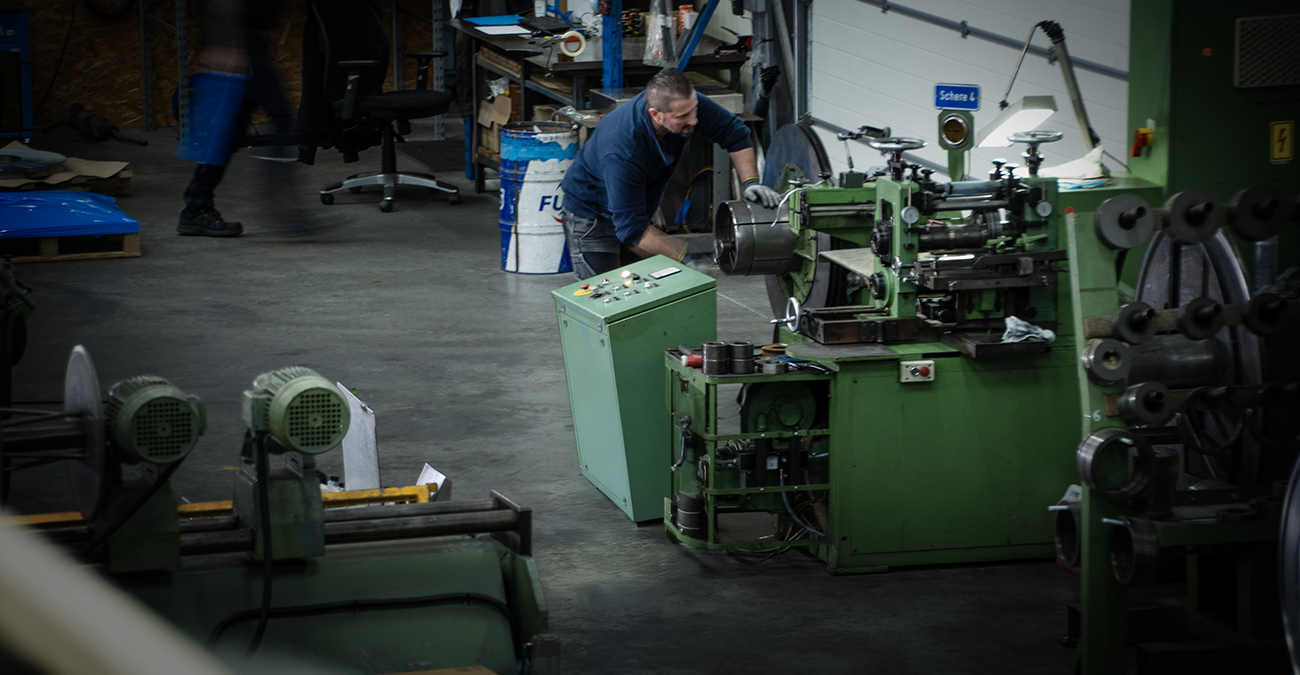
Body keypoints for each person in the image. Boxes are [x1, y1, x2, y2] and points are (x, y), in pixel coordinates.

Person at [559, 68, 780, 278]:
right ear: (656, 114)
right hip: (592, 217)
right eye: (683, 116)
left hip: (632, 216)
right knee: (605, 300)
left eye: (694, 110)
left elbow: (734, 133)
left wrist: (751, 183)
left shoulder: (685, 104)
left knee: (638, 297)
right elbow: (632, 231)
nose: (694, 120)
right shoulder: (623, 150)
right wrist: (687, 257)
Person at [177, 0, 295, 237]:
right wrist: (223, 42)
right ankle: (285, 209)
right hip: (242, 40)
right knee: (282, 118)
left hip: (250, 38)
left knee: (229, 129)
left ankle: (196, 207)